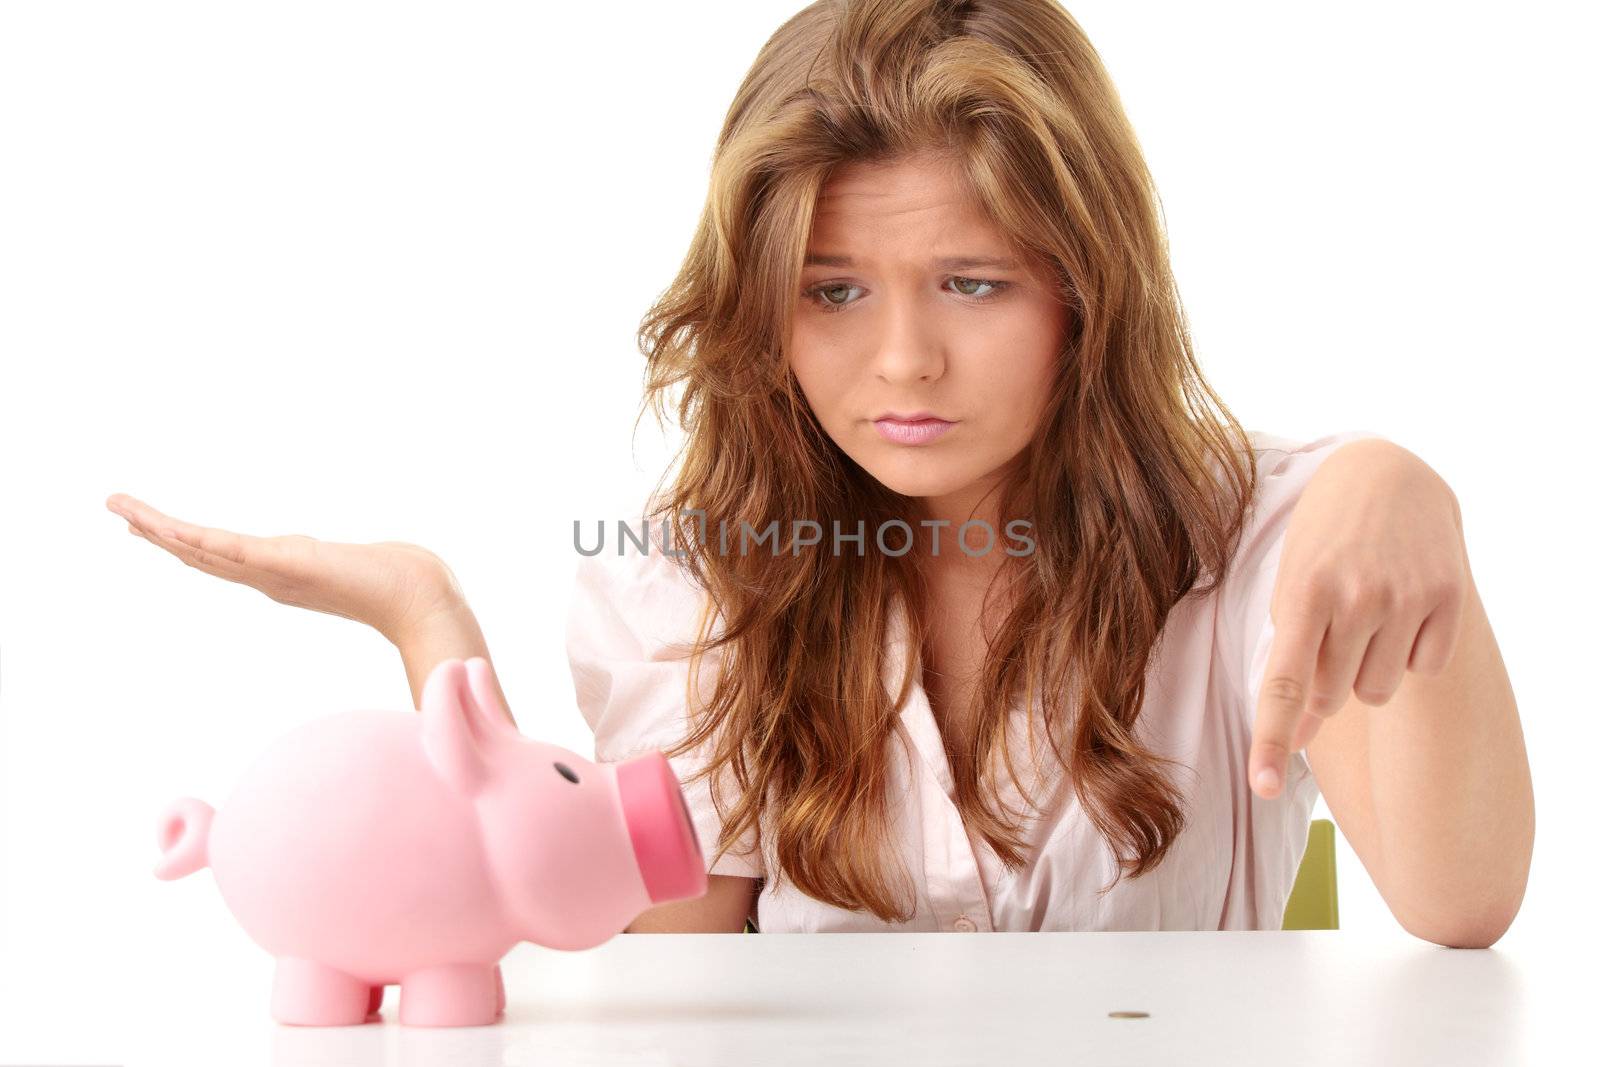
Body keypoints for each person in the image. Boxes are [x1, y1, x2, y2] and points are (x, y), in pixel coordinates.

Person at [106, 0, 1532, 944]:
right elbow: (663, 985)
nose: (902, 364)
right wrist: (433, 627)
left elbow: (1464, 907)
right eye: (834, 293)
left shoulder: (1267, 540)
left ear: (1089, 295)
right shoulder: (685, 581)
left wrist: (1413, 495)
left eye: (972, 285)